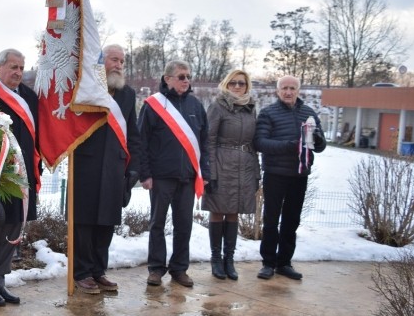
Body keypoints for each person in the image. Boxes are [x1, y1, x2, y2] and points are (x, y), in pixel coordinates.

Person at [72, 44, 141, 294]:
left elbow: (133, 133)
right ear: (102, 62)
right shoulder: (87, 89)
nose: (119, 65)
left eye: (122, 61)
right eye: (114, 60)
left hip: (114, 166)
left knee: (106, 222)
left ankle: (98, 271)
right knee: (85, 221)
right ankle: (81, 272)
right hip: (86, 165)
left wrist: (133, 169)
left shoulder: (128, 94)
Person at [0, 49, 40, 306]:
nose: (18, 73)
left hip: (23, 176)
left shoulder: (28, 96)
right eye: (13, 67)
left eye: (21, 68)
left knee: (14, 229)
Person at [138, 60, 209, 288]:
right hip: (160, 177)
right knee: (157, 224)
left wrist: (204, 172)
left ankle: (179, 269)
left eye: (188, 76)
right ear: (167, 78)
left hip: (187, 177)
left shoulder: (196, 107)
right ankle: (156, 269)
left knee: (184, 225)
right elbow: (142, 142)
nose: (186, 80)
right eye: (181, 76)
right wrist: (145, 174)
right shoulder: (153, 106)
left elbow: (205, 143)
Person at [253, 75, 326, 280]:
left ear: (298, 90)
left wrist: (318, 140)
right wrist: (289, 145)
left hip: (299, 175)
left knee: (291, 221)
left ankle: (284, 262)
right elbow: (260, 143)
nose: (288, 92)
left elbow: (320, 146)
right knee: (271, 220)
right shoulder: (268, 113)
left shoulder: (309, 113)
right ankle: (268, 263)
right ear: (277, 91)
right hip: (275, 174)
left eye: (292, 88)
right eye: (284, 88)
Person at [201, 69, 260, 281]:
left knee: (234, 212)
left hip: (244, 166)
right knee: (218, 211)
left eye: (241, 83)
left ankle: (229, 259)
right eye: (233, 83)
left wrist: (256, 172)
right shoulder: (217, 106)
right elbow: (209, 140)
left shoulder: (250, 108)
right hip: (221, 164)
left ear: (247, 86)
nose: (237, 86)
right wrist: (210, 172)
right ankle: (216, 259)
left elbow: (253, 144)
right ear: (226, 84)